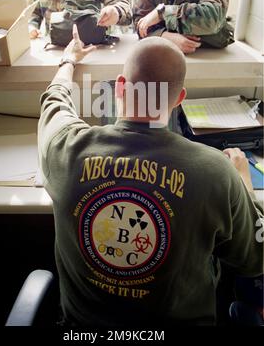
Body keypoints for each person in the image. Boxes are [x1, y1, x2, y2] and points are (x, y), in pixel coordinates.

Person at [38, 25, 263, 327]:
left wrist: (68, 61)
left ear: (119, 86)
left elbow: (54, 101)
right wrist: (243, 182)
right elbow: (254, 258)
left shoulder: (64, 147)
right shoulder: (215, 172)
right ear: (179, 98)